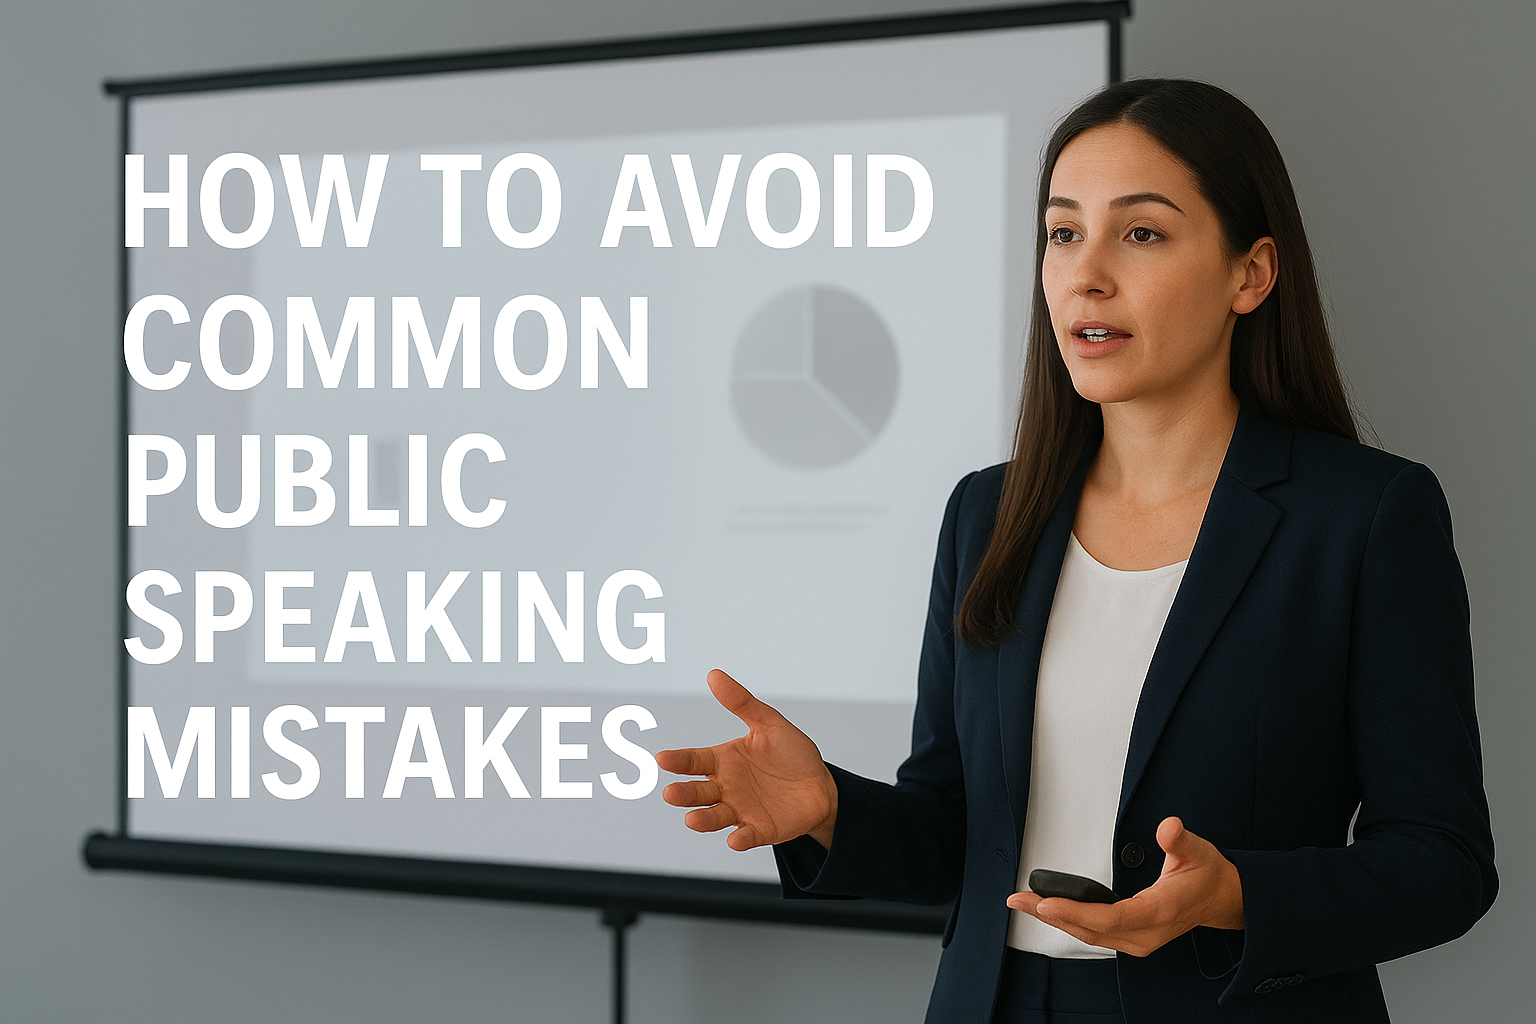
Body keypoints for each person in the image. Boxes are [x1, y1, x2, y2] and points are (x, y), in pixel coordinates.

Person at [655, 79, 1497, 1024]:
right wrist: (831, 811)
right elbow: (954, 835)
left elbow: (1444, 861)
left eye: (1141, 233)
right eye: (1063, 233)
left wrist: (1236, 897)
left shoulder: (1366, 514)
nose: (1086, 274)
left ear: (1250, 274)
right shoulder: (987, 512)